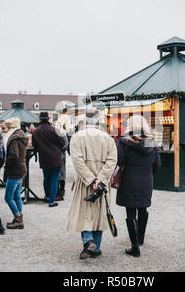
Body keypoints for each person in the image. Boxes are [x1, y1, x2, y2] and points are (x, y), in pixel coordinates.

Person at [66, 107, 117, 259]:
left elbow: (77, 161)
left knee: (84, 213)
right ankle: (96, 248)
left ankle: (88, 240)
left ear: (84, 119)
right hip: (101, 183)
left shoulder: (77, 137)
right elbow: (112, 160)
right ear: (99, 119)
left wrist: (90, 179)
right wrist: (100, 179)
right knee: (100, 213)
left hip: (84, 182)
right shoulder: (108, 138)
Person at [116, 115, 161, 257]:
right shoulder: (151, 142)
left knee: (130, 212)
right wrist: (148, 174)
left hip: (129, 179)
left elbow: (119, 160)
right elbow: (157, 164)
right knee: (143, 208)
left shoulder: (123, 142)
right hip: (146, 179)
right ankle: (140, 239)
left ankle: (135, 247)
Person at [32, 112, 66, 207]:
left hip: (44, 158)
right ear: (48, 119)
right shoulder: (54, 130)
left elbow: (35, 146)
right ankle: (51, 201)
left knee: (46, 177)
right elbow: (62, 142)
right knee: (54, 179)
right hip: (55, 157)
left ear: (40, 119)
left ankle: (47, 196)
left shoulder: (35, 132)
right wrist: (57, 148)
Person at [3, 118, 28, 230]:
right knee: (16, 195)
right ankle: (19, 216)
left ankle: (18, 218)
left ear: (10, 127)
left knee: (8, 197)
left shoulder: (13, 138)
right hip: (21, 168)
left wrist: (5, 164)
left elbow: (13, 155)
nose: (5, 129)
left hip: (14, 170)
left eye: (6, 127)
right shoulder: (21, 135)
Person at [53, 121, 69, 201]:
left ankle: (61, 193)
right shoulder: (52, 134)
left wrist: (58, 149)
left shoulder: (63, 134)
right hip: (54, 156)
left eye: (57, 125)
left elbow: (66, 145)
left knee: (62, 175)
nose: (56, 126)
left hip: (61, 156)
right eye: (55, 125)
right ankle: (55, 192)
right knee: (55, 175)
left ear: (60, 126)